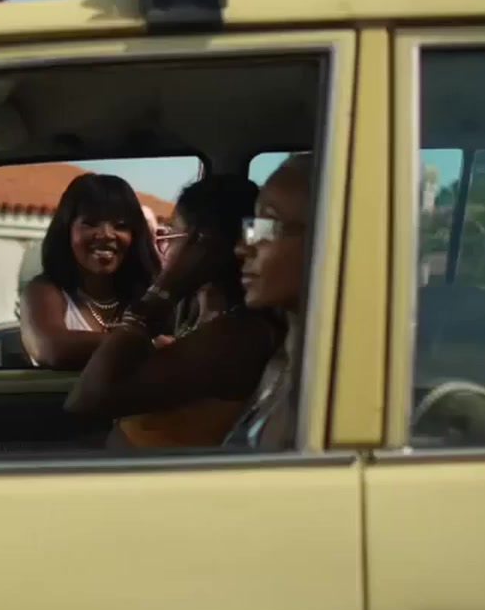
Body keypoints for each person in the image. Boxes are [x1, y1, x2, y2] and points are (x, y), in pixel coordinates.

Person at [66, 175, 280, 449]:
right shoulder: (201, 316)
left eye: (172, 234)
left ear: (200, 244)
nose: (164, 246)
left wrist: (164, 288)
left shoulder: (235, 336)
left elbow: (86, 399)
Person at [19, 173, 160, 370]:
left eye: (121, 226)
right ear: (67, 229)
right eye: (91, 223)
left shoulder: (146, 293)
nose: (107, 235)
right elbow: (51, 348)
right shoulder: (44, 291)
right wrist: (147, 345)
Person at [224, 154, 313, 451]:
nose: (242, 248)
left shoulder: (331, 385)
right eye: (254, 226)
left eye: (268, 226)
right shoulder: (283, 364)